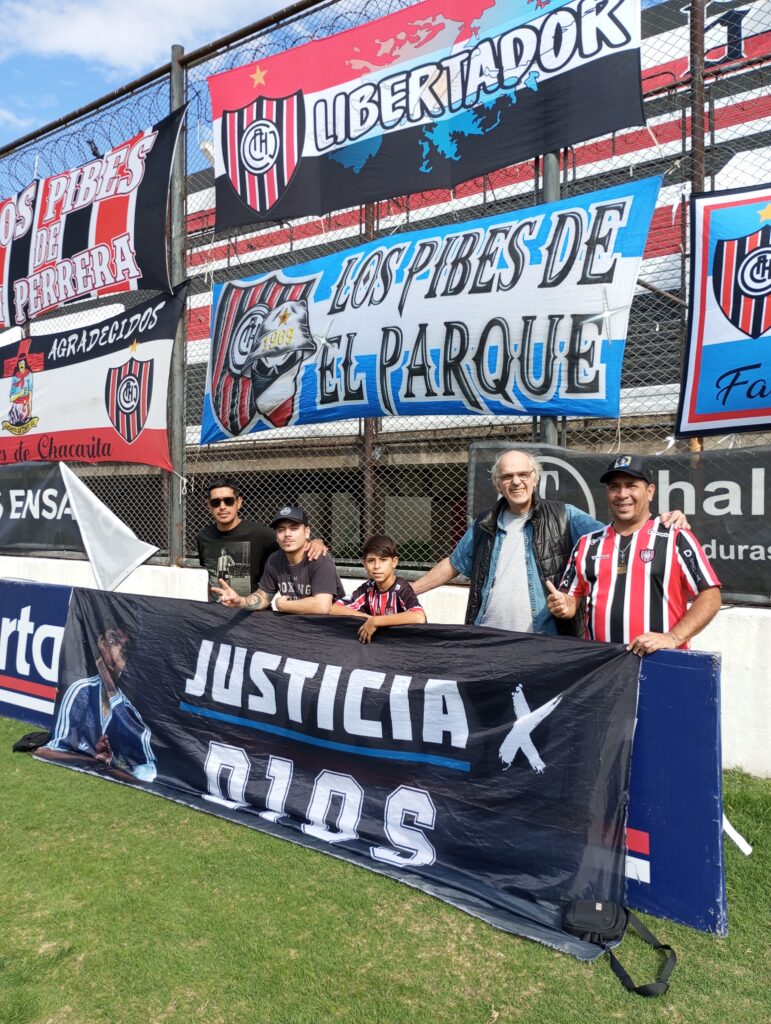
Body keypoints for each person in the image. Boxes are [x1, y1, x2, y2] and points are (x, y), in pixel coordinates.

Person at [547, 454, 722, 655]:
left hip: (660, 661)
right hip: (602, 663)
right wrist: (564, 605)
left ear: (650, 492)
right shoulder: (587, 544)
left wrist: (672, 638)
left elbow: (711, 597)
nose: (622, 494)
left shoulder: (675, 536)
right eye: (615, 487)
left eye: (631, 486)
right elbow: (570, 600)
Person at [40, 624, 157, 782]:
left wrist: (111, 762)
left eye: (125, 648)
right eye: (114, 641)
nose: (119, 651)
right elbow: (45, 752)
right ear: (101, 644)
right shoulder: (80, 692)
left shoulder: (129, 713)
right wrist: (93, 758)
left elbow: (146, 777)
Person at [196, 477, 325, 602]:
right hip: (215, 611)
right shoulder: (203, 537)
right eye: (215, 502)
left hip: (252, 612)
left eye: (228, 501)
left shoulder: (262, 534)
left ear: (239, 502)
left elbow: (291, 544)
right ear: (209, 505)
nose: (222, 507)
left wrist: (315, 542)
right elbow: (212, 577)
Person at [213, 505, 344, 614]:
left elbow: (322, 606)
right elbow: (263, 596)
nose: (287, 534)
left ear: (307, 532)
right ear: (276, 536)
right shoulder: (275, 559)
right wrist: (240, 601)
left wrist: (283, 605)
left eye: (294, 528)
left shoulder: (318, 558)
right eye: (281, 530)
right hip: (297, 627)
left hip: (332, 628)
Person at [330, 534, 426, 643]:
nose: (376, 566)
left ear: (394, 562)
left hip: (403, 646)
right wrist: (365, 617)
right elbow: (334, 608)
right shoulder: (367, 589)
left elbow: (419, 616)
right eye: (371, 560)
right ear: (364, 564)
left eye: (383, 560)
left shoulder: (401, 588)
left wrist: (377, 621)